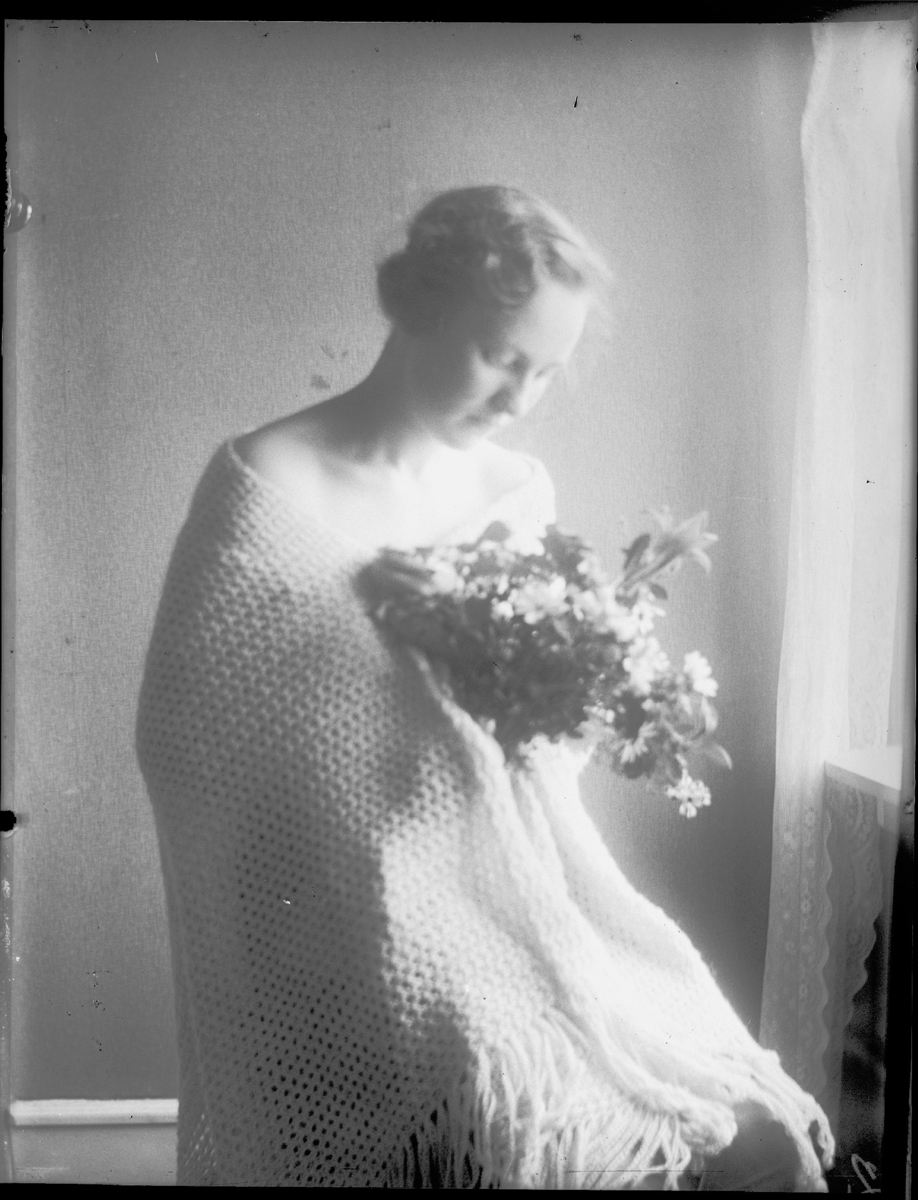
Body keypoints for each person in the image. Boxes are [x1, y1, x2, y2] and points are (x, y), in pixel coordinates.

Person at [136, 185, 833, 1189]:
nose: (519, 398)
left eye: (545, 371)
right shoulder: (267, 483)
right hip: (339, 913)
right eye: (501, 356)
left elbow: (546, 740)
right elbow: (190, 742)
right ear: (416, 306)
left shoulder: (512, 492)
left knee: (747, 1123)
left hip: (516, 884)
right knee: (510, 1112)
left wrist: (483, 648)